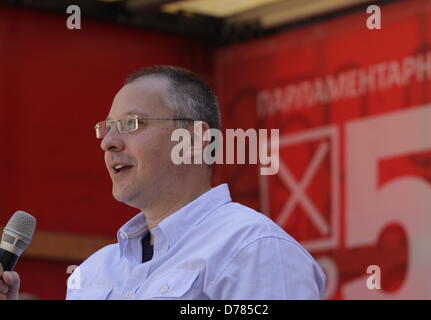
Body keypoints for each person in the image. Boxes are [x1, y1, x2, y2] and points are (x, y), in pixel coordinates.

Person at [2, 65, 326, 300]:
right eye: (107, 127)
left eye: (132, 123)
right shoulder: (96, 269)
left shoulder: (253, 247)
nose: (109, 142)